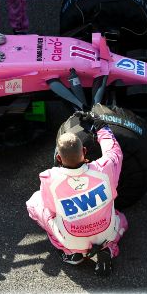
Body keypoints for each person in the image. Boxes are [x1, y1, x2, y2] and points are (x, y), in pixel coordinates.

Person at [26, 110, 127, 276]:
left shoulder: (50, 178)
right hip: (106, 233)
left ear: (58, 158)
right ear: (85, 151)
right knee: (121, 220)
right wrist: (101, 125)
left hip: (73, 240)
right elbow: (114, 150)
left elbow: (52, 210)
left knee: (34, 202)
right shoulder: (105, 168)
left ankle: (70, 253)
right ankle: (108, 248)